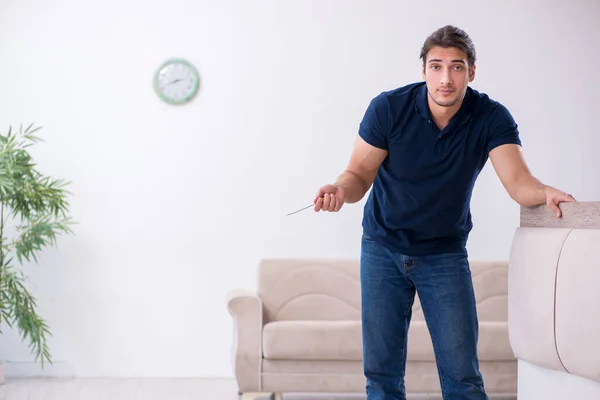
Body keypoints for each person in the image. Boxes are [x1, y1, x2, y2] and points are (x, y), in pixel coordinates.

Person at [312, 25, 576, 400]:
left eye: (457, 67)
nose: (446, 78)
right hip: (382, 247)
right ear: (422, 70)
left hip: (443, 255)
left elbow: (519, 182)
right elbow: (358, 174)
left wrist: (545, 192)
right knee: (381, 375)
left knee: (462, 377)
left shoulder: (490, 117)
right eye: (436, 66)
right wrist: (339, 190)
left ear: (472, 71)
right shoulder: (388, 108)